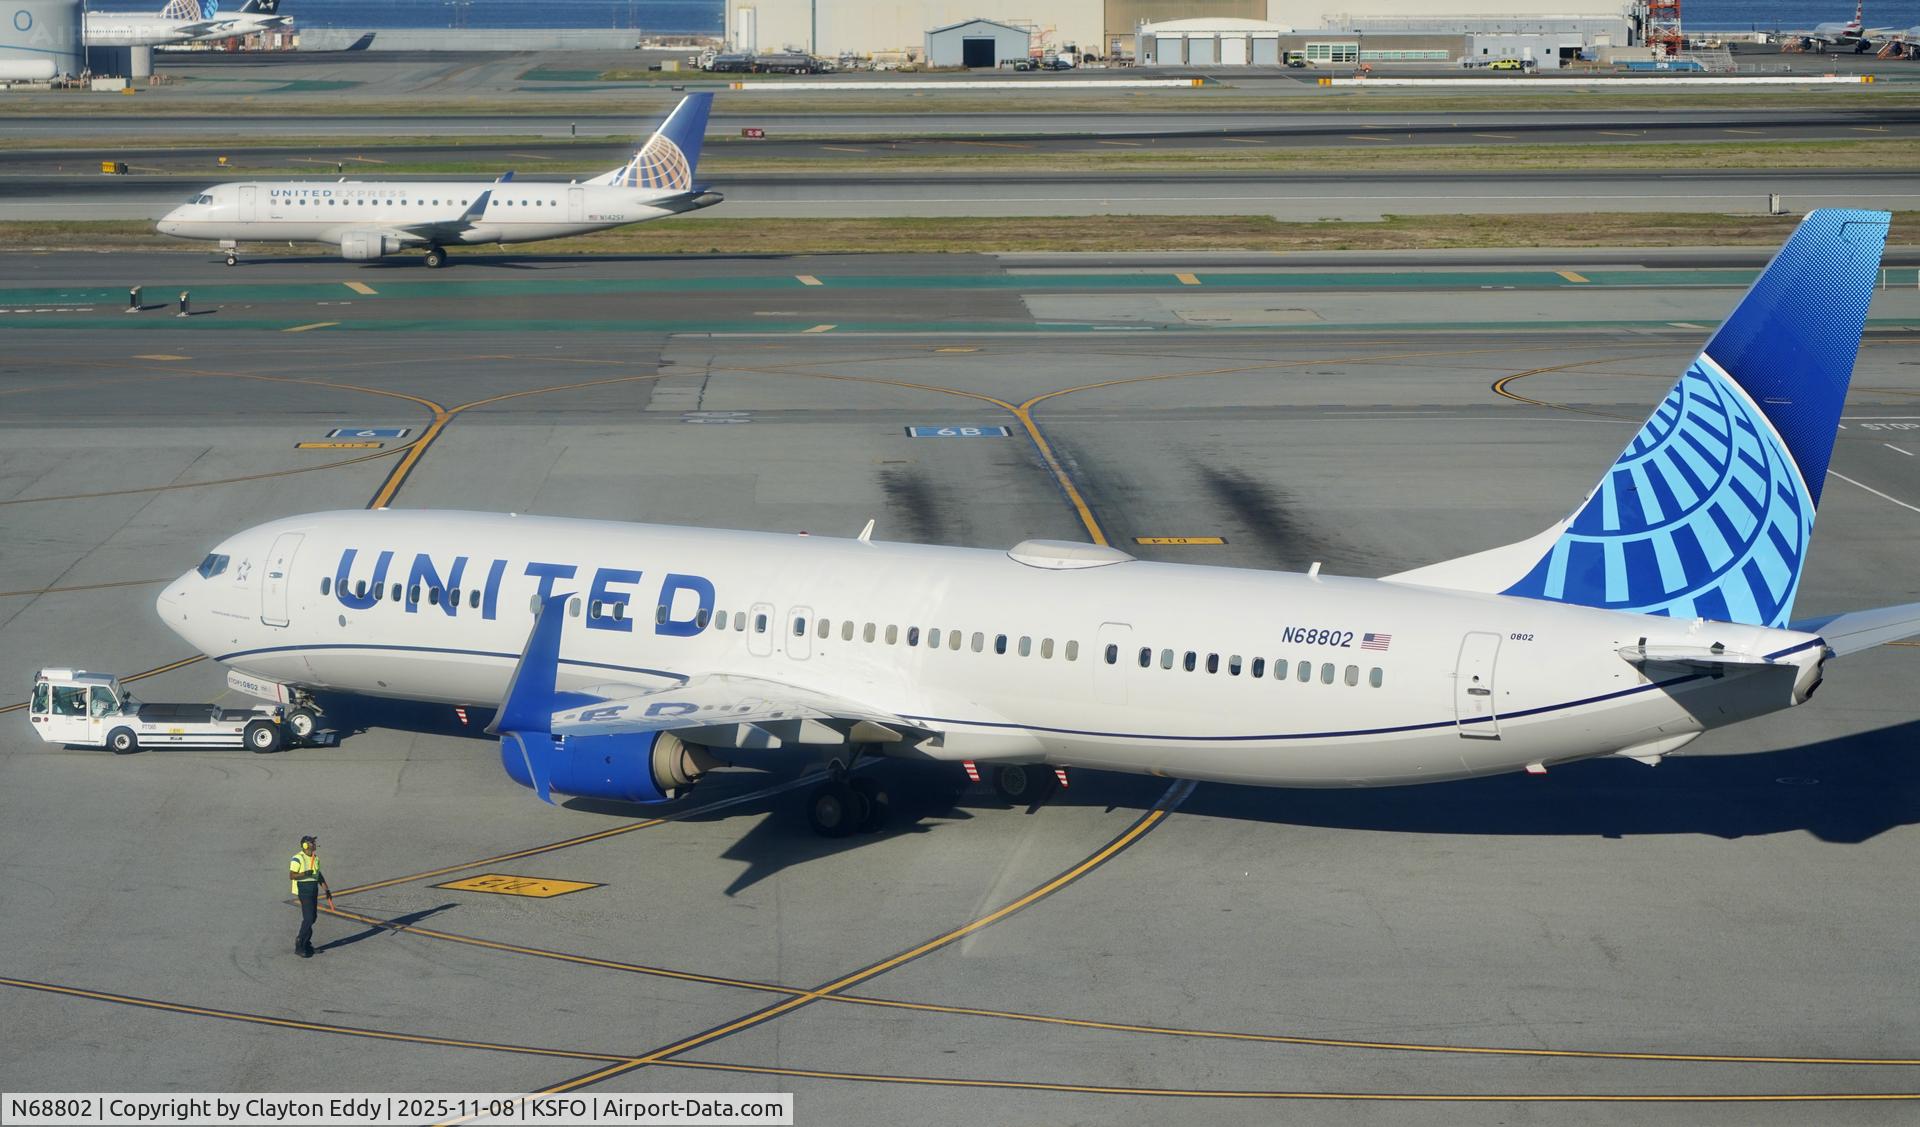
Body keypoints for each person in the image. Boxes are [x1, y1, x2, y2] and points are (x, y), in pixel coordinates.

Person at [289, 834, 332, 958]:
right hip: (304, 890)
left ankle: (307, 943)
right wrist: (304, 873)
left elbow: (318, 875)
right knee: (308, 918)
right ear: (305, 845)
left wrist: (326, 889)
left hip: (313, 889)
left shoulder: (315, 858)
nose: (315, 844)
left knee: (313, 918)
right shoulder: (297, 858)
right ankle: (300, 944)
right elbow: (292, 875)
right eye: (312, 842)